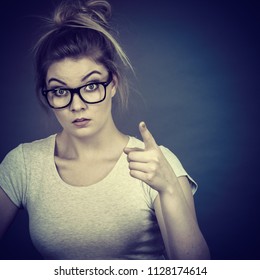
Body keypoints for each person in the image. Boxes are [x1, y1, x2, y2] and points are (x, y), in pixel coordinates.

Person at [0, 0, 210, 260]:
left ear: (112, 84)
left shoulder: (155, 164)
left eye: (90, 86)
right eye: (60, 91)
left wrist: (168, 188)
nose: (76, 105)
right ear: (47, 96)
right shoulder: (24, 164)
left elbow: (196, 270)